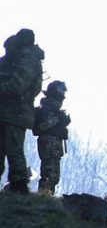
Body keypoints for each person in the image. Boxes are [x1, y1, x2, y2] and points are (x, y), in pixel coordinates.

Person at [0, 29, 44, 194]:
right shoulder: (16, 59)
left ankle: (18, 185)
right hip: (7, 112)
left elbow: (18, 85)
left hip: (16, 113)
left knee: (14, 150)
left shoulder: (28, 60)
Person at [33, 81, 71, 194]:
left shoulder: (51, 108)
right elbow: (43, 126)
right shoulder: (49, 108)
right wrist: (58, 119)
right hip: (50, 146)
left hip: (52, 147)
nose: (63, 95)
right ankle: (44, 198)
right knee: (50, 175)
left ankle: (46, 197)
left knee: (51, 176)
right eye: (62, 92)